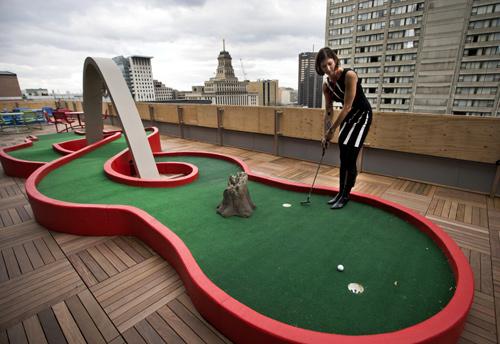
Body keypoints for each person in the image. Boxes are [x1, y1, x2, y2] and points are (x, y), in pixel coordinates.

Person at [315, 47, 372, 209]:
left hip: (362, 115)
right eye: (323, 67)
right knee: (343, 152)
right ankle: (340, 193)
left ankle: (346, 194)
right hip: (348, 118)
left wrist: (332, 130)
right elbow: (329, 111)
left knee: (350, 154)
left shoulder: (349, 76)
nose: (327, 69)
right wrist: (325, 134)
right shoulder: (327, 86)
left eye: (329, 64)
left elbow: (347, 106)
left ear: (335, 60)